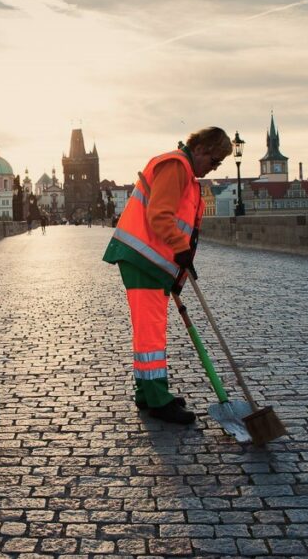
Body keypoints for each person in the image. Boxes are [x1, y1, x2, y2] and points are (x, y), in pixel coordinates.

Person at [102, 127, 233, 424]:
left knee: (148, 330)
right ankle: (158, 400)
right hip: (144, 258)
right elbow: (159, 215)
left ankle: (147, 393)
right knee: (151, 331)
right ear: (200, 149)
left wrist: (180, 264)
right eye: (214, 160)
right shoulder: (177, 166)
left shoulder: (184, 171)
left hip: (150, 260)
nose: (213, 167)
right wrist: (179, 248)